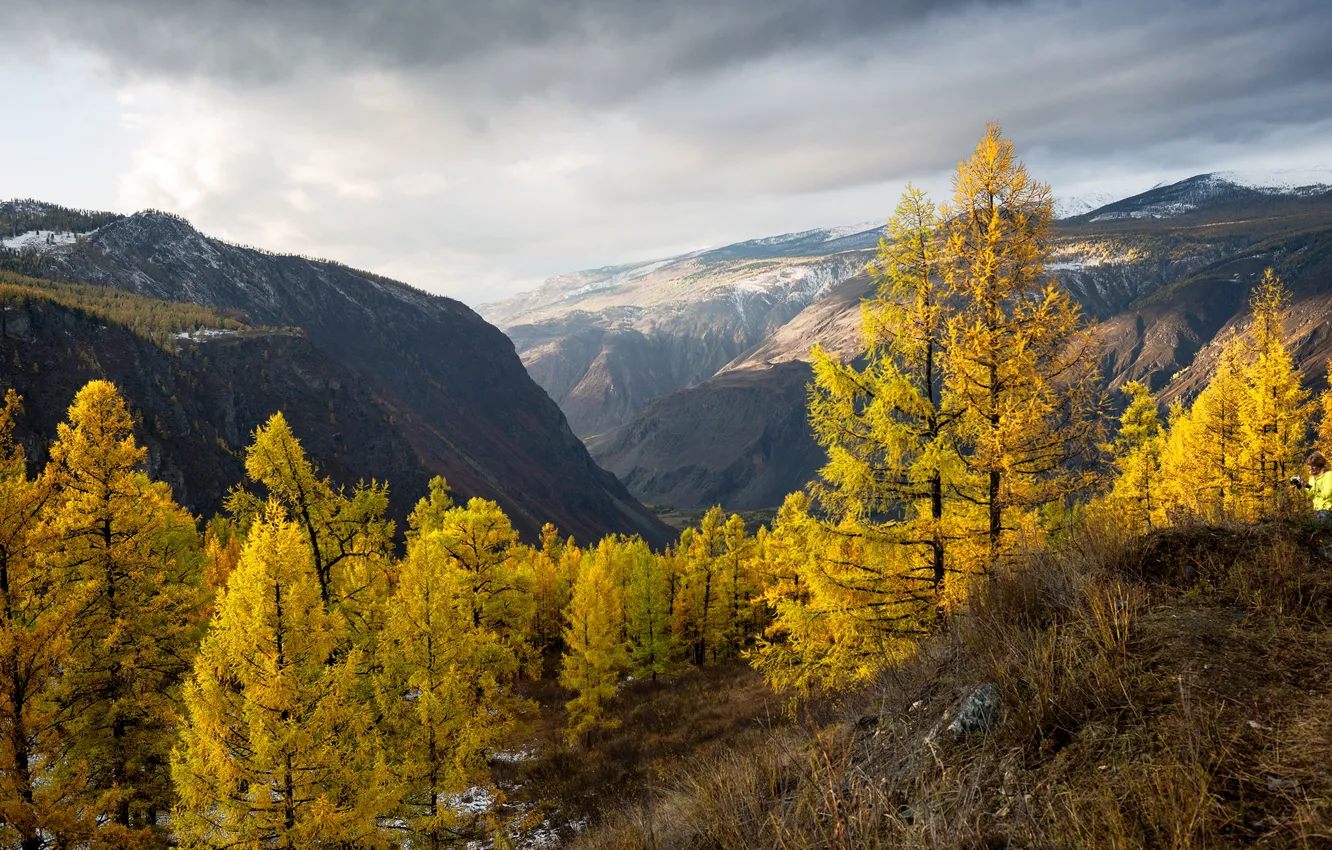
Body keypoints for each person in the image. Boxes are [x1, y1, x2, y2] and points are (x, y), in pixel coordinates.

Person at [1292, 451, 1332, 522]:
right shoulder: (1312, 478)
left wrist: (1310, 487)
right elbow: (1308, 495)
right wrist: (1299, 486)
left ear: (1320, 465)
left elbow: (1327, 494)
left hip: (1328, 511)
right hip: (1317, 511)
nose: (1310, 468)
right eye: (1309, 465)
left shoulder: (1329, 475)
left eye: (1313, 465)